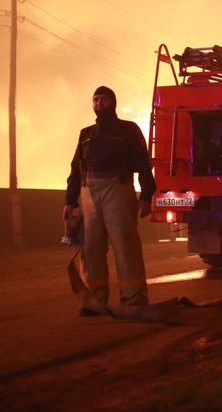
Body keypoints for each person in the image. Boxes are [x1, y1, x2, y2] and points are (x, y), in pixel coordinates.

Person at [63, 86, 156, 315]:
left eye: (103, 99)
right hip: (88, 192)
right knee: (90, 248)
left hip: (119, 188)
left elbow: (143, 164)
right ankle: (94, 301)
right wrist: (69, 200)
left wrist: (146, 195)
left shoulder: (128, 130)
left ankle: (134, 299)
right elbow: (76, 168)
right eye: (95, 99)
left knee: (125, 245)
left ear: (113, 102)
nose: (99, 103)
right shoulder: (86, 133)